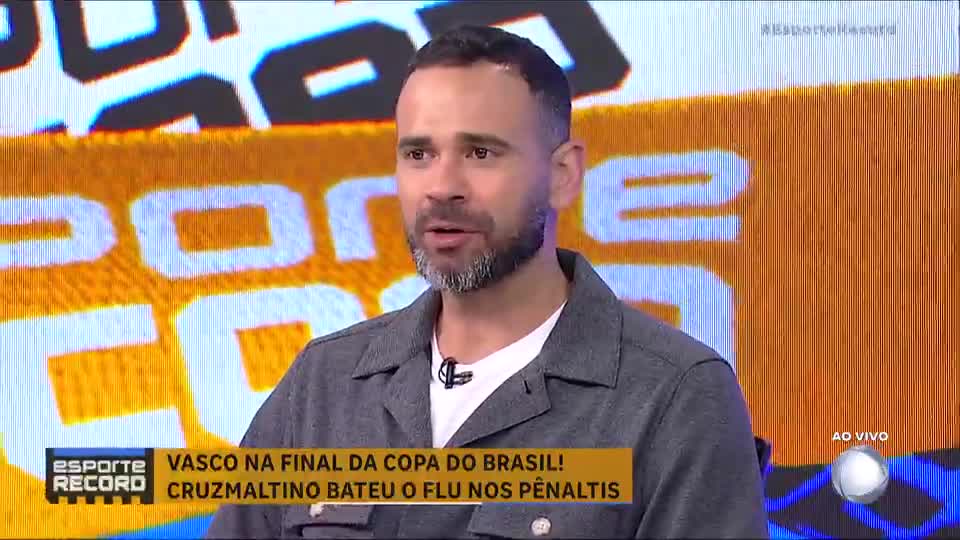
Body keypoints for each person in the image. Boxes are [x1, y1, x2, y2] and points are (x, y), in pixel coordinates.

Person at [206, 24, 769, 539]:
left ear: (563, 173)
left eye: (480, 152)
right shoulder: (324, 381)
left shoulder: (675, 395)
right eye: (419, 153)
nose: (441, 186)